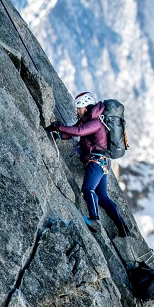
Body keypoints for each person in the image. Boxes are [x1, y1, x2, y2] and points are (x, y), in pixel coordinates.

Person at [46, 92, 129, 237]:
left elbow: (79, 131)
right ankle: (123, 227)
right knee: (102, 196)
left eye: (80, 107)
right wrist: (58, 134)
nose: (77, 110)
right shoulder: (88, 119)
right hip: (103, 162)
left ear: (86, 107)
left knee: (87, 188)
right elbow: (73, 132)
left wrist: (58, 127)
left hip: (96, 162)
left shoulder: (95, 123)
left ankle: (94, 220)